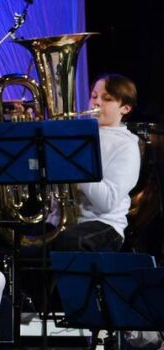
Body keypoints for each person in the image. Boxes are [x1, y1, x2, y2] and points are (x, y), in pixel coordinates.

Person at [51, 74, 140, 252]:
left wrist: (76, 163)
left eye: (107, 99)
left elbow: (107, 202)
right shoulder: (76, 134)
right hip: (58, 221)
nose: (96, 102)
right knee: (18, 241)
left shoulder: (126, 146)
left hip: (104, 224)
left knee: (68, 242)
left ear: (125, 108)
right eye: (94, 96)